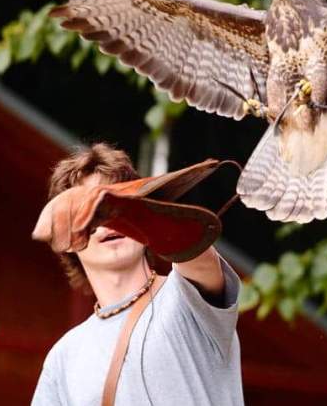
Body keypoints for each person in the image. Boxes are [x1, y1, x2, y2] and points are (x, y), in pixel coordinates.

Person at [31, 143, 244, 405]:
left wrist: (135, 212)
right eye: (93, 214)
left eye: (112, 208)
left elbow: (196, 254)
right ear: (70, 240)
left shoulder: (187, 297)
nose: (108, 222)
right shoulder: (63, 357)